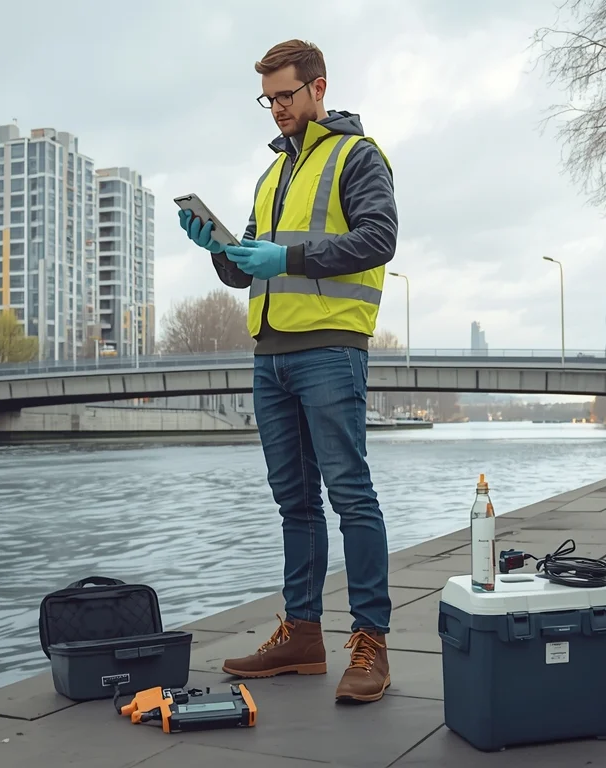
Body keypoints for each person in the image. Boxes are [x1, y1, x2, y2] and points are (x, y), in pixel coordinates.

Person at [177, 39, 399, 704]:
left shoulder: (359, 156)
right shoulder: (271, 175)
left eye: (285, 95)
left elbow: (378, 239)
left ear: (318, 88)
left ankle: (372, 643)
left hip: (330, 349)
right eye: (267, 98)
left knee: (351, 495)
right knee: (294, 502)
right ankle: (302, 635)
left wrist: (288, 259)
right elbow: (248, 266)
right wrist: (219, 251)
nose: (276, 107)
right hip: (270, 353)